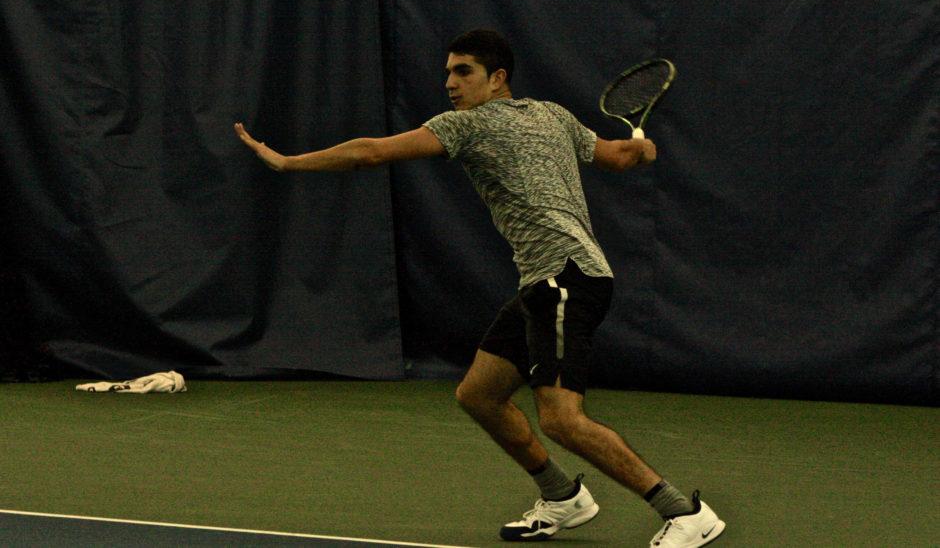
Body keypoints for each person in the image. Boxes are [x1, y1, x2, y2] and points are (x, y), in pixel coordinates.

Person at [234, 29, 725, 547]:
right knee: (479, 395)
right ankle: (563, 498)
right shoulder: (554, 114)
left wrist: (289, 162)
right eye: (447, 72)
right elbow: (620, 157)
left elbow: (371, 153)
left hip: (565, 275)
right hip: (549, 279)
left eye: (462, 71)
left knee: (560, 419)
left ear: (497, 78)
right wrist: (643, 150)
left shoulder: (467, 126)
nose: (449, 82)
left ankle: (684, 511)